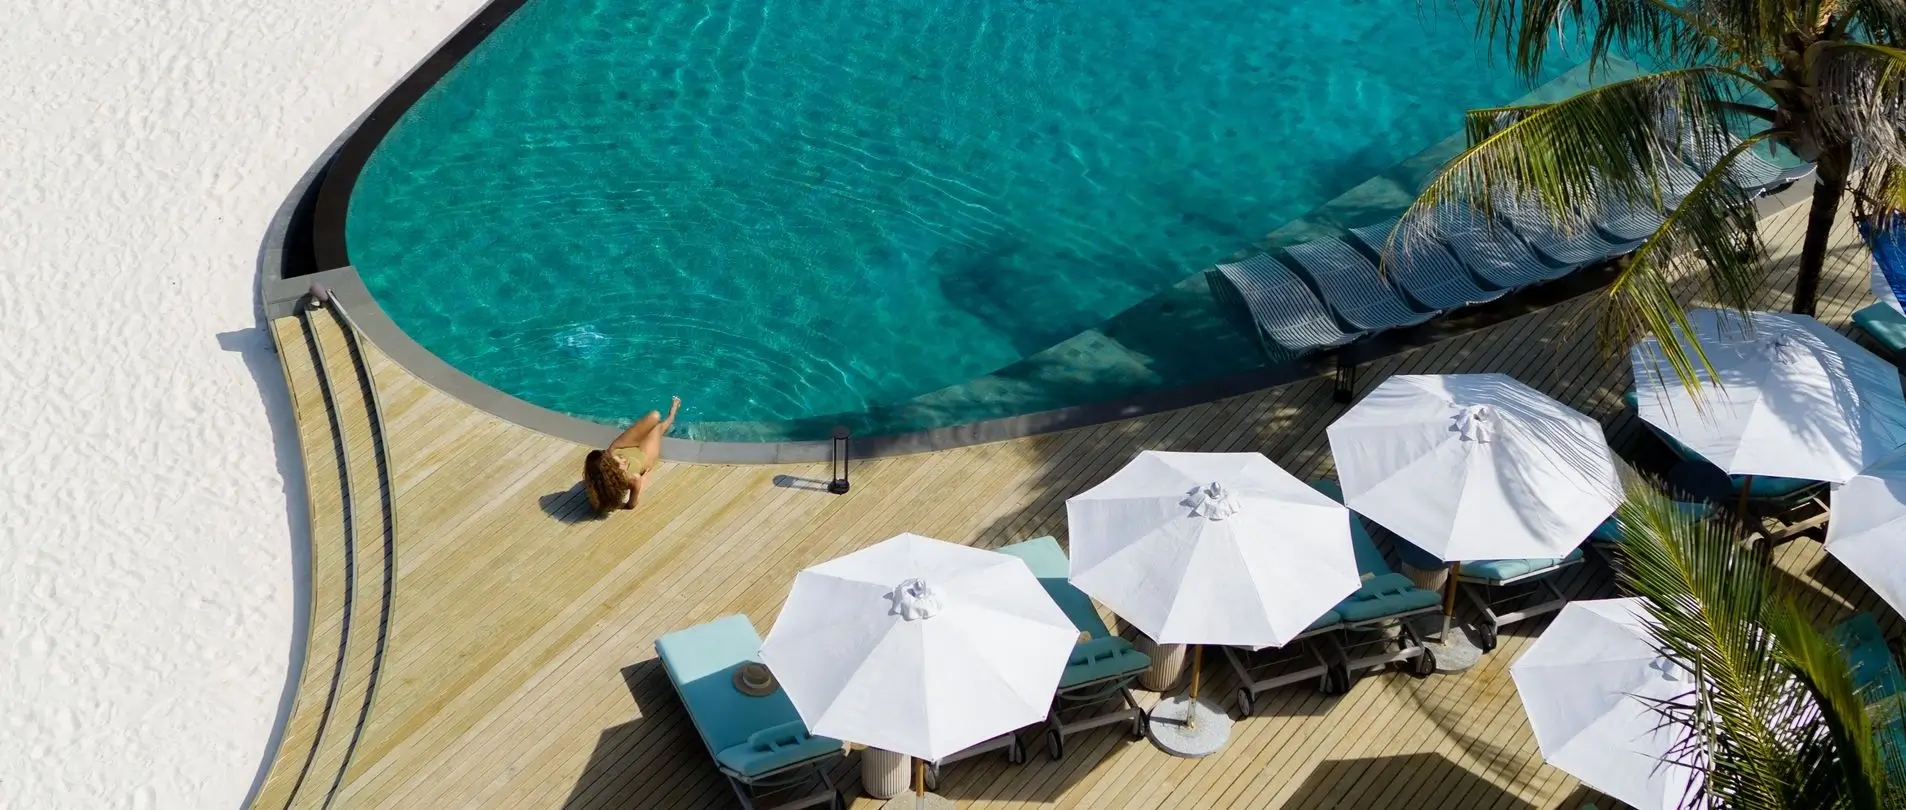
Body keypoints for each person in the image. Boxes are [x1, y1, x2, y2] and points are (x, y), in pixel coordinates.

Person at [583, 396, 680, 516]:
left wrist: (613, 454)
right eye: (620, 463)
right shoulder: (632, 478)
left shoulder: (601, 471)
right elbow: (631, 505)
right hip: (643, 456)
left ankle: (661, 421)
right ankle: (673, 413)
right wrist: (642, 481)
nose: (623, 459)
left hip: (621, 446)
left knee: (655, 416)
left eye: (616, 459)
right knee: (659, 427)